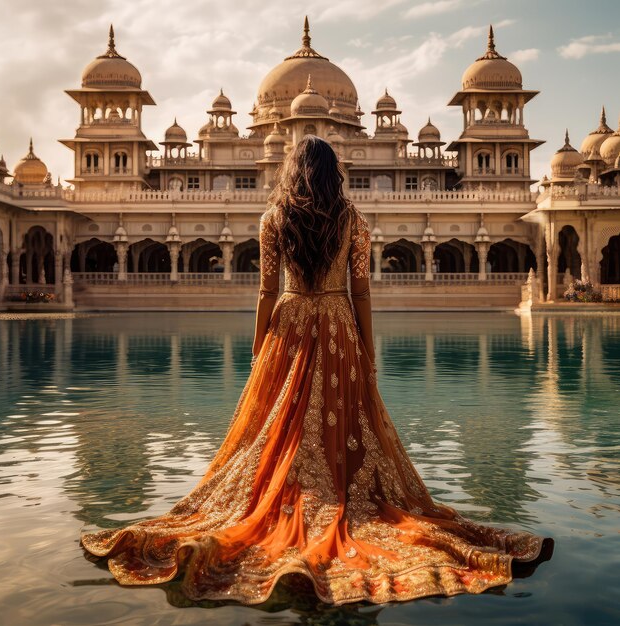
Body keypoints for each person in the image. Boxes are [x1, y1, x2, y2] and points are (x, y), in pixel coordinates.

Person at [81, 135, 547, 605]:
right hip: (339, 323)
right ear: (334, 173)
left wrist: (259, 343)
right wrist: (367, 346)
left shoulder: (274, 218)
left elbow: (266, 290)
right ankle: (339, 493)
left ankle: (292, 494)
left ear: (290, 170)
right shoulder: (353, 221)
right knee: (344, 418)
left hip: (291, 321)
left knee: (281, 422)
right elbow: (361, 290)